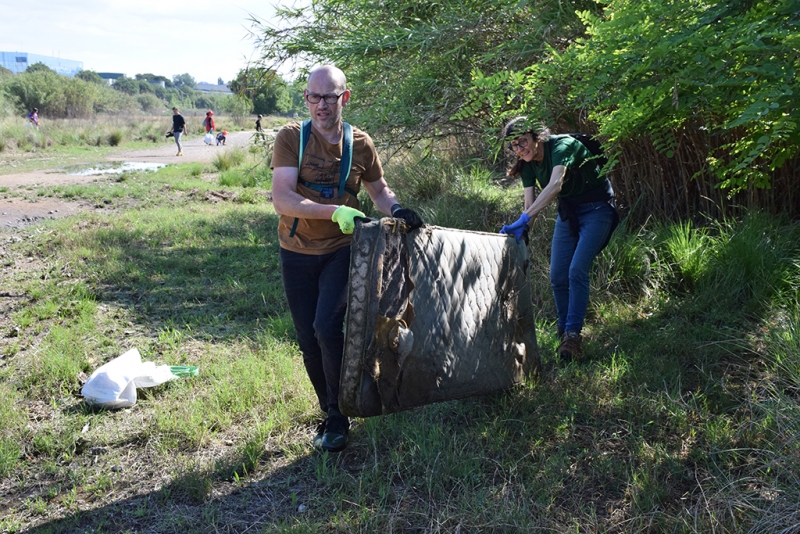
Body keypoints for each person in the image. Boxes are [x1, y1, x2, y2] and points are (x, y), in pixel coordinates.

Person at [271, 65, 423, 453]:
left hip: (343, 251)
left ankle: (339, 416)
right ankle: (329, 407)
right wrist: (333, 211)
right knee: (307, 337)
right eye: (313, 97)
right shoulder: (292, 138)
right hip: (297, 251)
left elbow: (379, 190)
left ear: (345, 97)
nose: (321, 105)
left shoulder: (361, 143)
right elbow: (282, 198)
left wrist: (398, 209)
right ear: (306, 97)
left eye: (330, 97)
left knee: (326, 326)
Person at [500, 116, 618, 362]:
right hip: (569, 213)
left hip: (597, 209)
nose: (520, 149)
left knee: (577, 270)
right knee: (557, 276)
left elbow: (555, 185)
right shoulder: (528, 164)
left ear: (537, 137)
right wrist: (520, 231)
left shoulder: (562, 146)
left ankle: (573, 336)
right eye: (514, 145)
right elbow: (529, 206)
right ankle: (563, 334)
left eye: (523, 141)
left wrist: (524, 219)